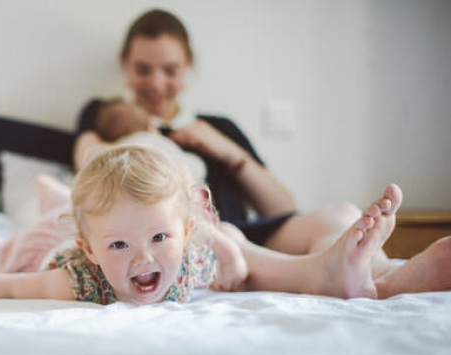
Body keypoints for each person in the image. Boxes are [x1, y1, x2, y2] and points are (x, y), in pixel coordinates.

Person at [72, 8, 450, 297]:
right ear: (125, 68)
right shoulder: (104, 116)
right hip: (197, 237)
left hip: (250, 230)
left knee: (343, 215)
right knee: (232, 238)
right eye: (143, 69)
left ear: (187, 71)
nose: (156, 82)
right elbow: (86, 165)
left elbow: (282, 207)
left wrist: (227, 151)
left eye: (169, 70)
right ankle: (377, 286)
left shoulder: (217, 127)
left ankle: (377, 276)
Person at [0, 144, 416, 303]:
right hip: (44, 244)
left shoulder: (184, 248)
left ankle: (325, 274)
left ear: (185, 235)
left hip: (93, 221)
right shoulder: (79, 279)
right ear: (92, 252)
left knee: (240, 254)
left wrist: (224, 245)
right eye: (119, 246)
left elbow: (233, 255)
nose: (143, 259)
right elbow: (3, 287)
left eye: (161, 238)